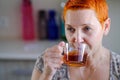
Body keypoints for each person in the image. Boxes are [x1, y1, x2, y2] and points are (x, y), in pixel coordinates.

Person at [31, 0, 120, 80]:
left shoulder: (118, 67)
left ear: (106, 27)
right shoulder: (47, 62)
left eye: (87, 28)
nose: (77, 39)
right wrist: (47, 75)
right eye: (70, 29)